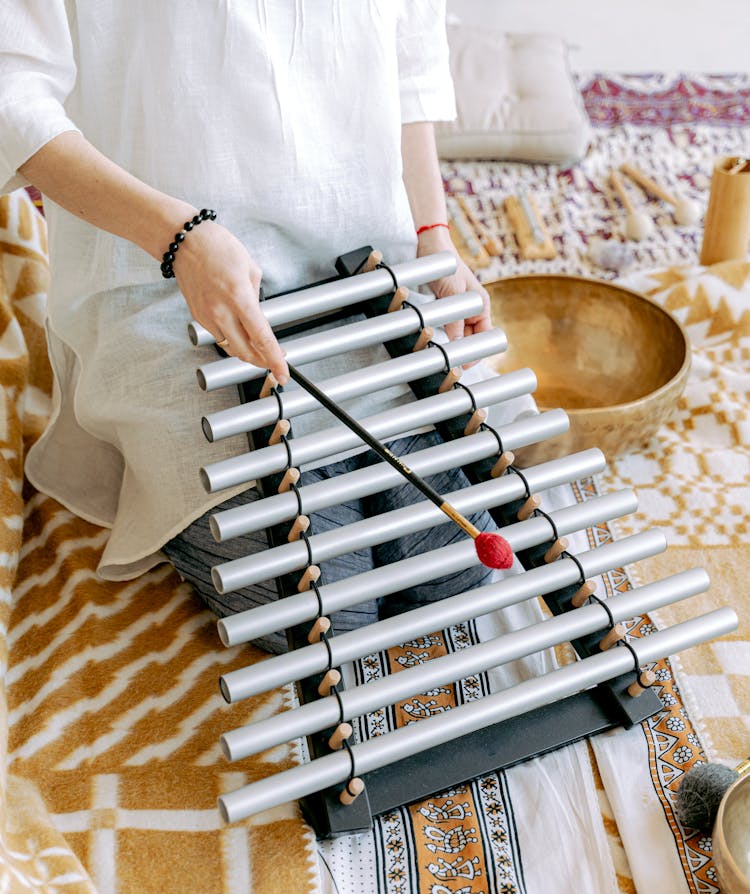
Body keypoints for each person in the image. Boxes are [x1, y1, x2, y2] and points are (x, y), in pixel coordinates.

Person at [1, 2, 496, 652]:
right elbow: (13, 97)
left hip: (364, 280)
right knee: (321, 617)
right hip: (166, 285)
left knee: (455, 571)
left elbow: (409, 44)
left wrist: (434, 230)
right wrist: (176, 235)